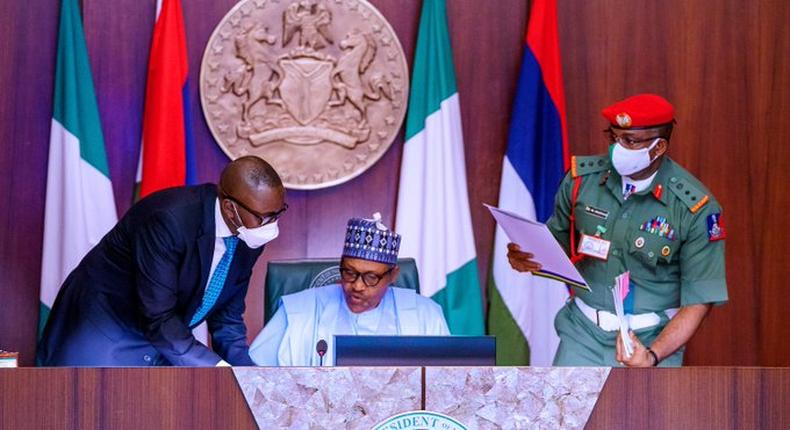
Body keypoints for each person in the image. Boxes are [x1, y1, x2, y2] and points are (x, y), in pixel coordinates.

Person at [507, 94, 727, 367]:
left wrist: (653, 355)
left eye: (630, 141)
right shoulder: (581, 182)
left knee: (645, 412)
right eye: (614, 137)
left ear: (659, 147)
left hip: (650, 340)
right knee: (567, 410)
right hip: (582, 335)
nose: (616, 149)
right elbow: (556, 247)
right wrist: (527, 258)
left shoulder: (694, 207)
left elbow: (700, 300)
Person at [37, 156, 287, 367]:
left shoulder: (248, 237)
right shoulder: (169, 220)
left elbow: (227, 319)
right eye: (265, 217)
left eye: (278, 213)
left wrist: (250, 376)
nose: (273, 225)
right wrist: (218, 367)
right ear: (231, 209)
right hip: (105, 330)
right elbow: (158, 317)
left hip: (166, 340)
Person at [249, 213, 449, 366]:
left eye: (371, 277)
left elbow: (446, 383)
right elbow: (256, 376)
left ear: (393, 275)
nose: (357, 286)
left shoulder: (426, 315)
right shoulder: (298, 311)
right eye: (349, 273)